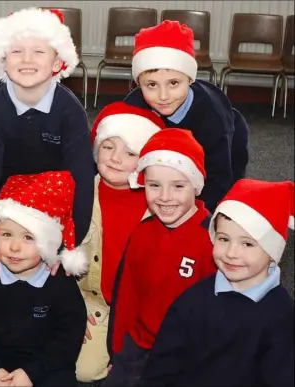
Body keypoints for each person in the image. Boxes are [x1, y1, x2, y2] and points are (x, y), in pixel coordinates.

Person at [0, 7, 94, 278]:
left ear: (57, 62)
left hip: (54, 207)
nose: (27, 59)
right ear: (3, 61)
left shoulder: (69, 110)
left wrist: (68, 245)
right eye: (16, 51)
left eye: (38, 52)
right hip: (7, 207)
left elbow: (82, 179)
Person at [139, 179, 294, 386]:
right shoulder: (193, 299)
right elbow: (162, 363)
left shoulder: (281, 314)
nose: (231, 253)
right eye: (223, 239)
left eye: (247, 244)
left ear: (272, 250)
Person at [0, 171, 87, 387]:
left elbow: (67, 339)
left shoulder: (60, 283)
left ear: (47, 243)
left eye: (28, 237)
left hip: (41, 362)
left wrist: (31, 373)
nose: (14, 247)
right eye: (7, 235)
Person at [105, 129, 218, 386]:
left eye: (178, 186)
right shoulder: (142, 233)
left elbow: (218, 311)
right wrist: (117, 351)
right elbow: (126, 297)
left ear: (196, 186)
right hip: (138, 347)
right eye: (154, 186)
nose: (165, 197)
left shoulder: (212, 239)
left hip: (186, 353)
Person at [75, 102, 164, 383]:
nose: (115, 158)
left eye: (130, 152)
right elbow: (53, 254)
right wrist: (70, 308)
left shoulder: (161, 204)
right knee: (84, 372)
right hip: (92, 304)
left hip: (139, 313)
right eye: (108, 146)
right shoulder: (78, 193)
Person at [123, 20, 250, 212]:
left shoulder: (212, 115)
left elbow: (218, 177)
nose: (163, 96)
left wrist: (198, 216)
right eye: (151, 85)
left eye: (173, 83)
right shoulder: (133, 106)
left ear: (190, 79)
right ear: (138, 84)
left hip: (227, 150)